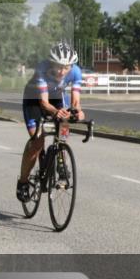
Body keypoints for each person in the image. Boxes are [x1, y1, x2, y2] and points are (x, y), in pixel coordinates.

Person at [16, 42, 85, 201]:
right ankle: (23, 181)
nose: (62, 71)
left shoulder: (75, 72)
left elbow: (75, 101)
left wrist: (78, 112)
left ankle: (60, 158)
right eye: (59, 66)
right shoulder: (42, 69)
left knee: (65, 123)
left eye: (66, 67)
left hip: (57, 97)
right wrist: (55, 112)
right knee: (37, 142)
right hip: (35, 99)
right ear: (51, 63)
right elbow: (44, 103)